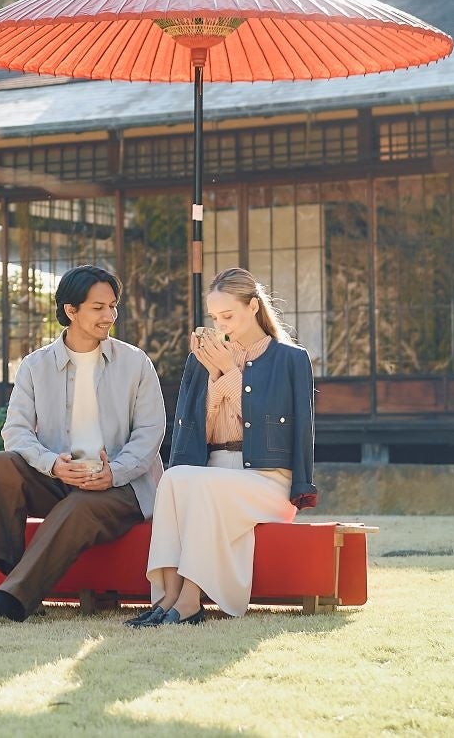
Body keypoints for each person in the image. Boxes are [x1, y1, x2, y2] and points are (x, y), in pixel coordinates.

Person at [0, 265, 165, 630]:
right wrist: (52, 465)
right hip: (60, 479)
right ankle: (14, 574)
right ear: (71, 310)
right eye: (99, 308)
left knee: (83, 503)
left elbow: (150, 432)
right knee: (0, 464)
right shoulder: (35, 366)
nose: (110, 316)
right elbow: (16, 431)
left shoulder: (135, 363)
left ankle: (7, 599)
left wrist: (113, 472)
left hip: (123, 488)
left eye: (113, 306)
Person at [131, 267, 317, 627]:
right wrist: (213, 373)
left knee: (201, 486)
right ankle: (168, 595)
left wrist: (231, 372)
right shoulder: (204, 358)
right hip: (214, 471)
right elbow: (200, 428)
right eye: (216, 317)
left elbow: (280, 426)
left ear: (252, 306)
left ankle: (189, 601)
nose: (222, 324)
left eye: (228, 315)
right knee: (174, 479)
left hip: (267, 480)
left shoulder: (290, 359)